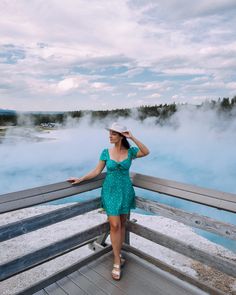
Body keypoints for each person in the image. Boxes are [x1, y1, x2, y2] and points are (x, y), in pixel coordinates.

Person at [67, 122, 150, 280]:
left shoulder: (130, 151)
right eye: (110, 133)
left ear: (120, 136)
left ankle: (119, 255)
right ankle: (117, 261)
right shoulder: (105, 152)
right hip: (110, 191)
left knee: (123, 223)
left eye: (113, 133)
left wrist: (132, 137)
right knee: (114, 224)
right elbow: (97, 171)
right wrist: (81, 179)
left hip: (125, 191)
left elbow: (146, 151)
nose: (109, 136)